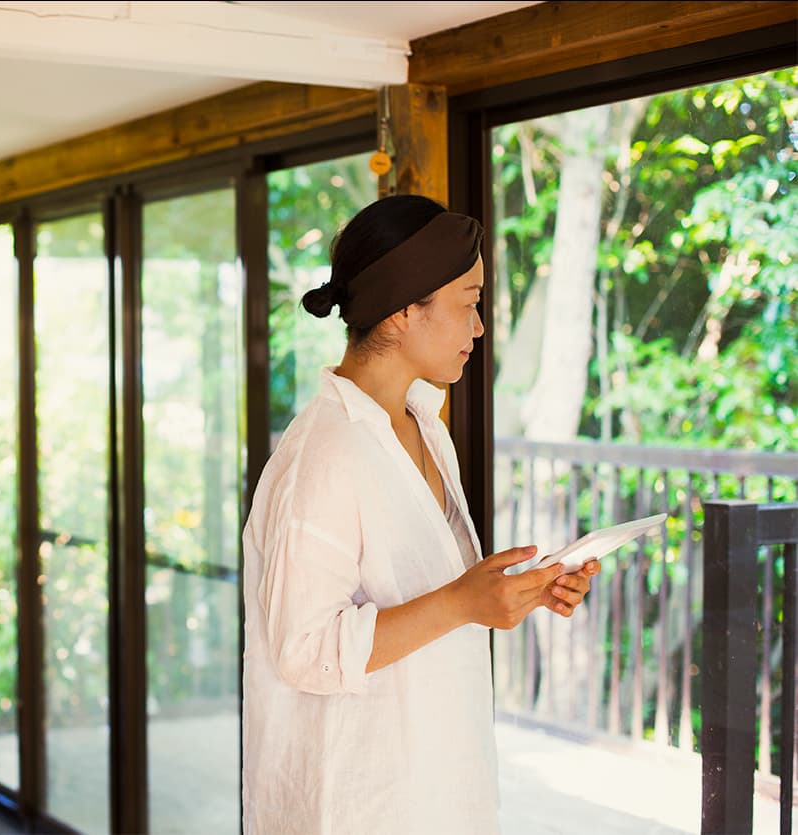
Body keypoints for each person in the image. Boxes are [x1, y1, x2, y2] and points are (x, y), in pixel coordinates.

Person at [241, 194, 601, 834]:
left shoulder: (425, 426)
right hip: (357, 807)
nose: (478, 328)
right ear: (406, 310)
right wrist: (463, 603)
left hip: (438, 788)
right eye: (468, 303)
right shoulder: (324, 453)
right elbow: (303, 650)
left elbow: (434, 597)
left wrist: (517, 591)